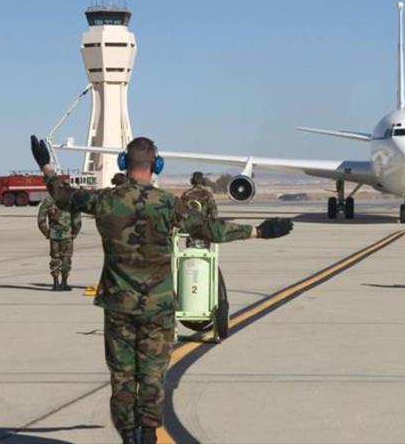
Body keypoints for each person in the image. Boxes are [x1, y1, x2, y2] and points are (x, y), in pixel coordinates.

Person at [30, 135, 293, 444]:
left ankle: (129, 435)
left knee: (123, 376)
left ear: (124, 164)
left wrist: (46, 165)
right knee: (153, 374)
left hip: (119, 307)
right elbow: (211, 229)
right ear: (156, 165)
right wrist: (259, 231)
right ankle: (148, 432)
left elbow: (63, 195)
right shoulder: (168, 204)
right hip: (158, 308)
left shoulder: (105, 200)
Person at [37, 195, 82, 291]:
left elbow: (41, 219)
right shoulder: (71, 199)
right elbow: (77, 219)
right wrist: (75, 232)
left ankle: (56, 283)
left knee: (55, 258)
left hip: (54, 235)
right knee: (66, 258)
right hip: (67, 235)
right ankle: (64, 283)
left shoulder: (48, 200)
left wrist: (46, 232)